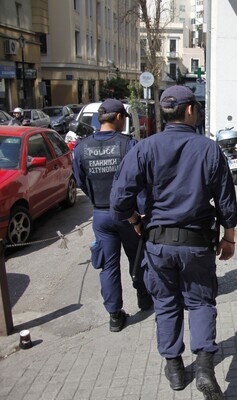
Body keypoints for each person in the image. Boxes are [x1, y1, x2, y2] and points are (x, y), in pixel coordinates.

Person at [110, 85, 237, 398]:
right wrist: (229, 237)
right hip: (197, 244)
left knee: (166, 303)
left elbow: (119, 200)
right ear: (190, 110)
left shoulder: (144, 148)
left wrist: (135, 220)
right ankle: (205, 365)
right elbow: (226, 200)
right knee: (201, 301)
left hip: (159, 245)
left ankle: (176, 368)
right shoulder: (209, 149)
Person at [72, 99, 152, 333]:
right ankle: (144, 298)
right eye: (125, 117)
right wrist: (142, 211)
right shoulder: (129, 145)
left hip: (101, 214)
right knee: (137, 258)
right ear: (118, 117)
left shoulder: (81, 148)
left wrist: (98, 202)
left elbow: (80, 181)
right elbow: (142, 181)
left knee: (108, 266)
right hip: (129, 215)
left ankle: (115, 316)